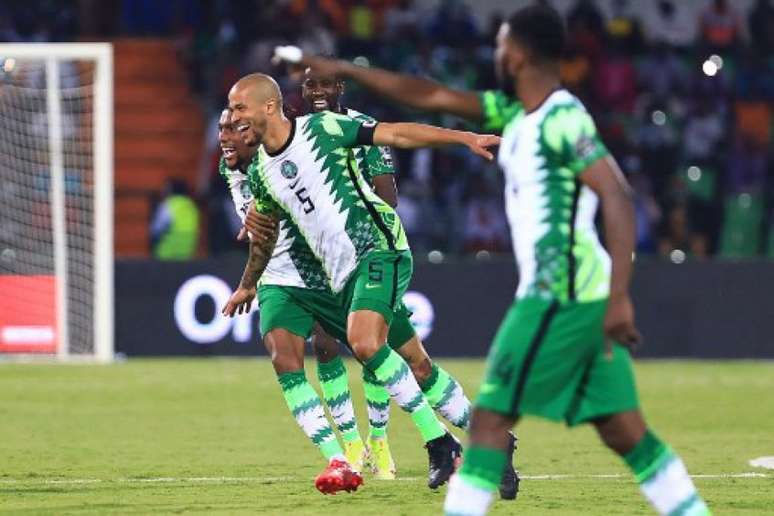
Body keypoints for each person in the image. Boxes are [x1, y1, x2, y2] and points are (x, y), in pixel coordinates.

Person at [272, 5, 711, 515]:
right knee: (622, 432)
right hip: (551, 298)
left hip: (567, 301)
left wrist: (618, 299)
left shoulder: (564, 118)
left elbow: (615, 196)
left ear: (520, 54)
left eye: (503, 44)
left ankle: (448, 455)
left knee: (488, 425)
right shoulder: (512, 111)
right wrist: (348, 71)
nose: (496, 52)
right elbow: (430, 95)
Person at [221, 73, 499, 494]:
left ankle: (440, 441)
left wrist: (461, 138)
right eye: (230, 114)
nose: (232, 120)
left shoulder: (324, 128)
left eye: (239, 109)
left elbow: (395, 136)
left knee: (408, 360)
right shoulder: (258, 171)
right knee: (336, 351)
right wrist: (249, 283)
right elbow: (267, 235)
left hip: (372, 256)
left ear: (269, 107)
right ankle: (355, 451)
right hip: (322, 276)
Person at [149, 179, 199, 260]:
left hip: (166, 254)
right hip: (187, 254)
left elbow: (156, 229)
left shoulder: (168, 205)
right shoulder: (192, 206)